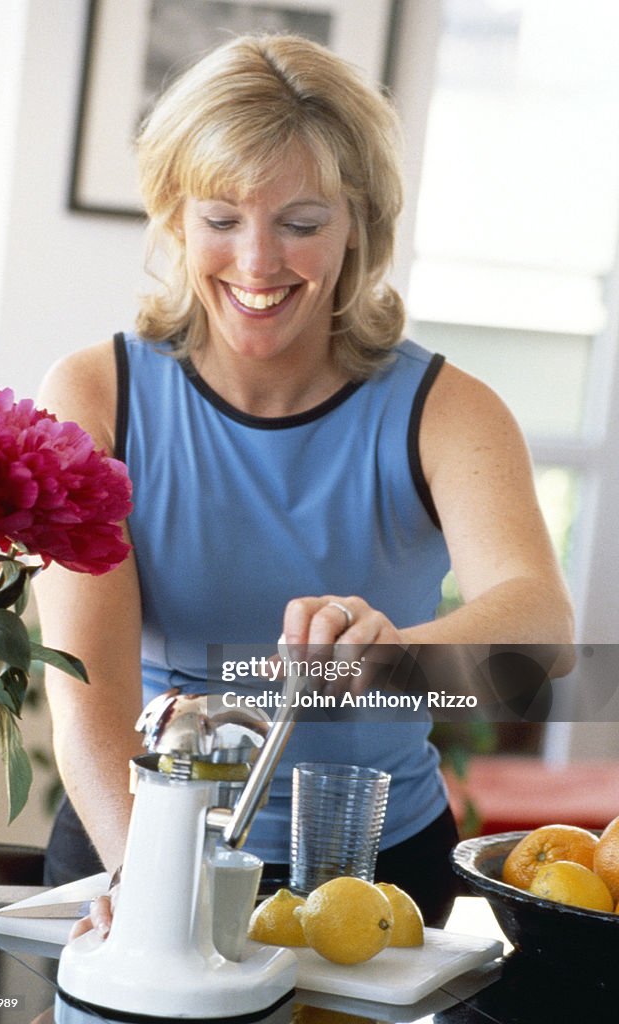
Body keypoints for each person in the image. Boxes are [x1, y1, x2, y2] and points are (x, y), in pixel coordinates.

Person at [34, 33, 574, 936]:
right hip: (138, 847)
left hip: (372, 874)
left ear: (359, 223)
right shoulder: (97, 396)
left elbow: (541, 630)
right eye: (221, 218)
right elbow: (91, 691)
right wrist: (150, 884)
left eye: (301, 222)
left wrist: (393, 656)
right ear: (173, 216)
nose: (257, 262)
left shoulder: (447, 409)